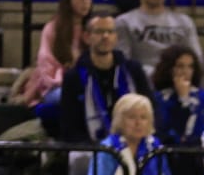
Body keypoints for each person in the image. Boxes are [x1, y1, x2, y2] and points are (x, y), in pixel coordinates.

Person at [58, 12, 150, 145]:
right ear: (86, 37)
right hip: (90, 148)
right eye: (99, 32)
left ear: (116, 37)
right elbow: (69, 126)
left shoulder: (133, 70)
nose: (106, 36)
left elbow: (150, 109)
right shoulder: (74, 77)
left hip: (133, 144)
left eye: (110, 31)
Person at [114, 0, 203, 79]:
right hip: (143, 82)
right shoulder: (124, 22)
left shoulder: (184, 22)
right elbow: (124, 63)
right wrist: (161, 75)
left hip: (181, 79)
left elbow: (197, 59)